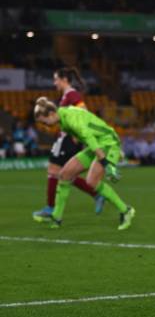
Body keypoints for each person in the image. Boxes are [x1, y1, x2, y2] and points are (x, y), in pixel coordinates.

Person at [32, 97, 135, 230]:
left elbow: (89, 137)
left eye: (44, 122)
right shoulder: (63, 117)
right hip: (97, 143)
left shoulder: (69, 118)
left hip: (107, 142)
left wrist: (105, 162)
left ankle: (125, 211)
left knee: (91, 181)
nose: (46, 126)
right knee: (64, 174)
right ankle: (56, 217)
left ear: (51, 114)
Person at [32, 67, 105, 219]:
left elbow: (83, 112)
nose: (54, 83)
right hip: (65, 138)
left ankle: (51, 208)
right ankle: (96, 194)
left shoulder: (72, 95)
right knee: (63, 173)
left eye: (56, 79)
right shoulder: (66, 96)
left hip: (67, 139)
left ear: (64, 80)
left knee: (54, 171)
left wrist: (76, 136)